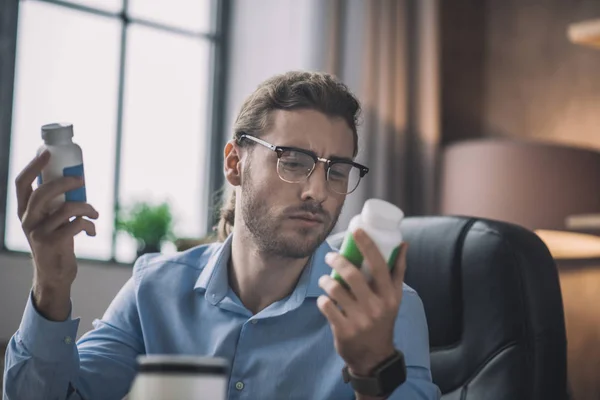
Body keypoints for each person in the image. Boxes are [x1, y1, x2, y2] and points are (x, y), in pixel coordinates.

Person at [3, 71, 441, 399]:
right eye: (292, 161)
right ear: (235, 163)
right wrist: (52, 283)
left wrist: (372, 369)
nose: (317, 191)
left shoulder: (385, 310)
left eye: (338, 170)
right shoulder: (153, 290)